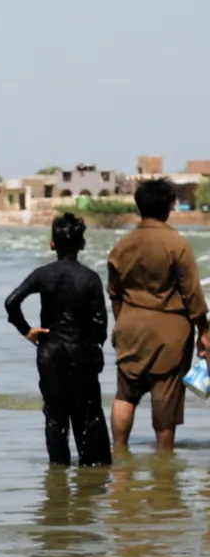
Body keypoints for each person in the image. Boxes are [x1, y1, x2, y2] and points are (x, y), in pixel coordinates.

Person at [104, 178, 208, 453]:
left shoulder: (121, 246)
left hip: (129, 325)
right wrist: (204, 330)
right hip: (169, 332)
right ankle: (164, 466)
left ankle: (120, 455)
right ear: (170, 206)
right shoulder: (177, 245)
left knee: (125, 394)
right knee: (165, 398)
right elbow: (192, 295)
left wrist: (122, 323)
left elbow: (114, 293)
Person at [5, 211, 112, 465]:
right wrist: (92, 347)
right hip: (82, 351)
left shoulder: (42, 274)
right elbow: (100, 328)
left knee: (55, 417)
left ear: (52, 244)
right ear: (82, 245)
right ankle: (91, 471)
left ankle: (58, 471)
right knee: (88, 418)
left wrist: (27, 330)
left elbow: (11, 302)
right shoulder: (91, 278)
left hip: (50, 352)